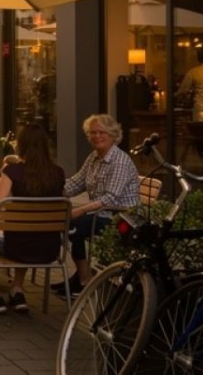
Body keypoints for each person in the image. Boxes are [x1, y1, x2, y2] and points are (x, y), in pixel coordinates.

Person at [0, 122, 66, 313]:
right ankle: (17, 290)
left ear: (21, 146)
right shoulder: (58, 172)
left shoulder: (14, 171)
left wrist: (7, 171)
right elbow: (64, 200)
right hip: (49, 248)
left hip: (16, 247)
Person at [52, 113, 140, 298]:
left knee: (74, 225)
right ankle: (82, 276)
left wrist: (80, 210)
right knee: (69, 224)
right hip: (100, 214)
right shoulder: (94, 157)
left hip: (120, 217)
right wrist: (50, 190)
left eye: (102, 132)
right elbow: (75, 183)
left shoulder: (119, 161)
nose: (97, 136)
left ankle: (84, 279)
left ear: (113, 135)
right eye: (93, 133)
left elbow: (111, 199)